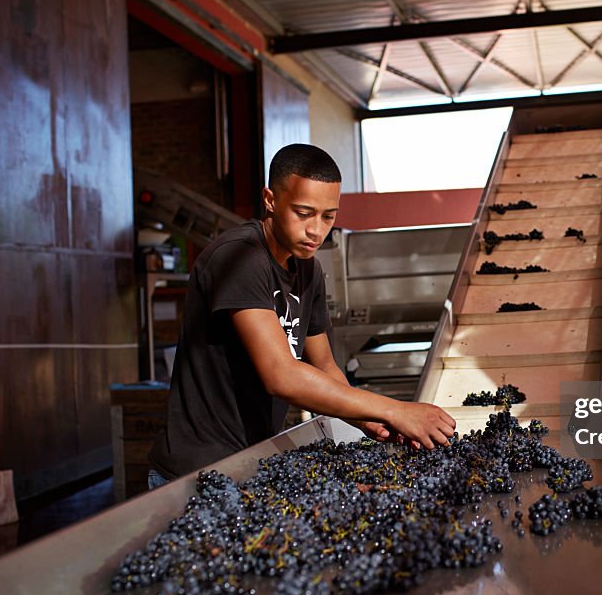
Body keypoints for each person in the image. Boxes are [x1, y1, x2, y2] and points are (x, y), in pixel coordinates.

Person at [148, 144, 456, 487]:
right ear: (270, 199)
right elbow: (282, 375)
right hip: (195, 474)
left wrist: (369, 421)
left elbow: (324, 365)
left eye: (328, 216)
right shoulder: (238, 259)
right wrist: (394, 409)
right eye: (303, 213)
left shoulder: (308, 270)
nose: (316, 230)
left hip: (251, 464)